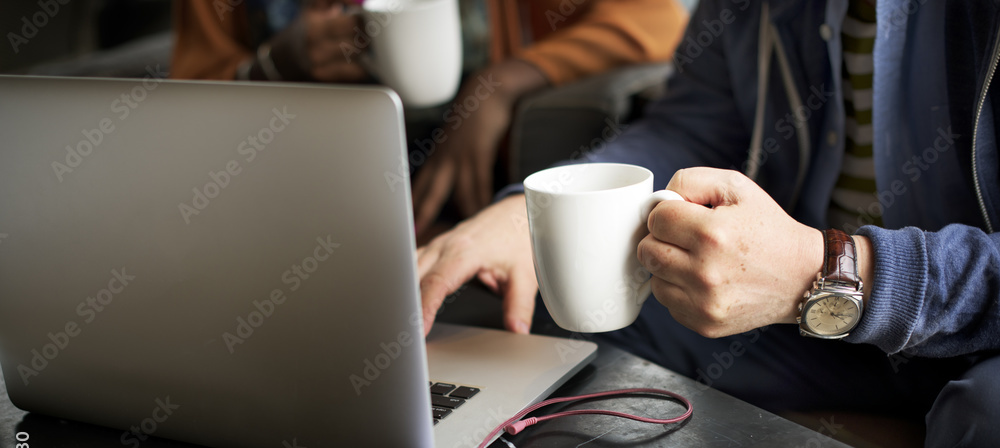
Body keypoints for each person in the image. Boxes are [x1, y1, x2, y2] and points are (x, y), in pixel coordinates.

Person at [416, 0, 1000, 448]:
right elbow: (693, 127)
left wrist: (822, 270)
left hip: (974, 343)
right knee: (573, 307)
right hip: (809, 327)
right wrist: (544, 211)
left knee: (986, 425)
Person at [169, 0, 690, 229]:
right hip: (274, 216)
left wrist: (500, 83)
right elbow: (181, 116)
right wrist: (276, 64)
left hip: (443, 209)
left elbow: (654, 19)